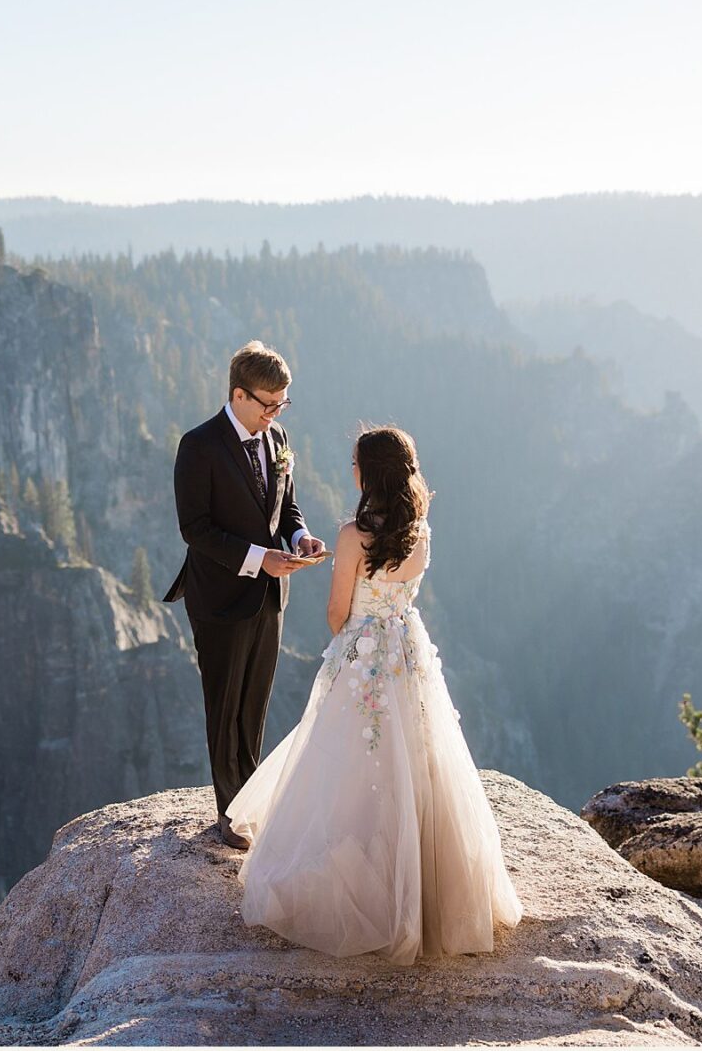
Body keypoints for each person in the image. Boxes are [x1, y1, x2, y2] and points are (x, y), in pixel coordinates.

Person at [225, 426, 523, 965]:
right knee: (417, 756)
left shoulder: (351, 535)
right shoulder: (421, 532)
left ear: (371, 474)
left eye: (355, 463)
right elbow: (402, 595)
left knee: (345, 761)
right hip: (407, 651)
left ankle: (363, 879)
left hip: (363, 653)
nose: (352, 471)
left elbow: (338, 614)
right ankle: (424, 887)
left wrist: (355, 640)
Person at [164, 341, 326, 850]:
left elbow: (288, 507)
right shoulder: (199, 445)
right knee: (225, 703)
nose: (276, 413)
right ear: (238, 394)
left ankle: (251, 802)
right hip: (219, 597)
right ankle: (229, 815)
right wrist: (260, 557)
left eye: (283, 404)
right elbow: (195, 529)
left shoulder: (277, 437)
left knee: (255, 704)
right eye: (269, 403)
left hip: (270, 595)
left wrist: (299, 538)